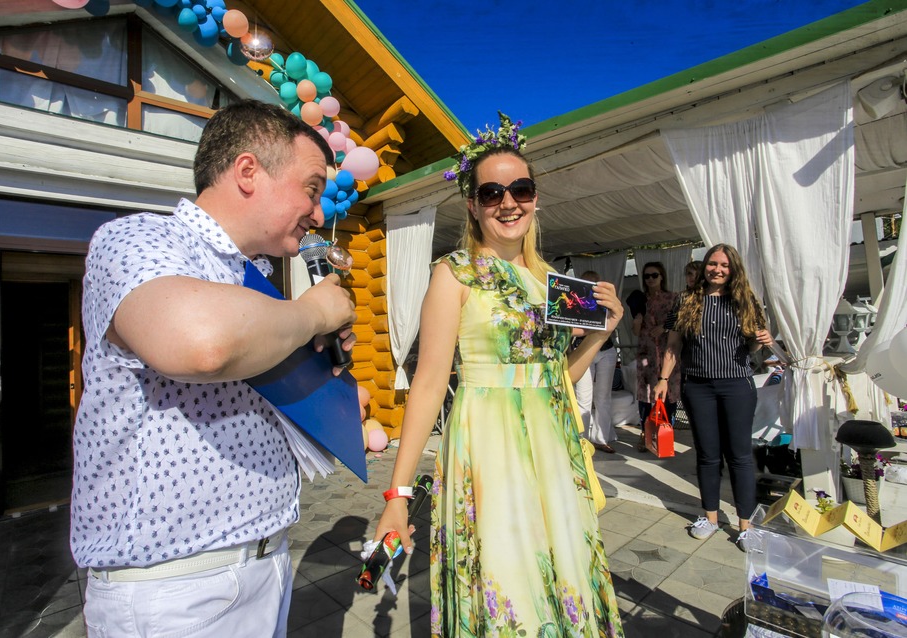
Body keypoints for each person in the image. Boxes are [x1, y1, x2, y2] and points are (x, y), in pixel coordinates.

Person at [70, 100, 357, 637]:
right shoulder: (138, 239)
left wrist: (328, 403)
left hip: (264, 565)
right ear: (248, 172)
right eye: (312, 188)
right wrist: (314, 311)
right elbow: (201, 345)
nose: (318, 213)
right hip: (177, 589)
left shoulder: (257, 283)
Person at [374, 113, 624, 637]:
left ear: (535, 198)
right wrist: (397, 496)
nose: (508, 203)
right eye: (492, 193)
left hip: (554, 452)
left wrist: (602, 334)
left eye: (521, 189)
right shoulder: (453, 274)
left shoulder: (554, 282)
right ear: (473, 204)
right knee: (509, 589)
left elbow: (557, 376)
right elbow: (427, 386)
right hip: (489, 452)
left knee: (563, 584)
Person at [654, 244, 773, 552]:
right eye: (712, 263)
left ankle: (746, 525)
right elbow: (673, 344)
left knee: (740, 455)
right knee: (707, 454)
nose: (717, 269)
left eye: (724, 265)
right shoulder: (686, 300)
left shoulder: (746, 300)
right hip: (698, 386)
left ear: (733, 269)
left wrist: (762, 341)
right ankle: (710, 517)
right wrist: (664, 379)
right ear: (705, 266)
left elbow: (753, 348)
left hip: (736, 385)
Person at [633, 261, 680, 450]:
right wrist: (638, 319)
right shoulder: (639, 299)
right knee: (645, 395)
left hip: (668, 353)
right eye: (647, 276)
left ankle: (665, 434)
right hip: (647, 353)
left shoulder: (673, 298)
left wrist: (664, 327)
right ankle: (646, 434)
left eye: (654, 275)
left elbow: (679, 323)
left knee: (668, 395)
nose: (651, 279)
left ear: (662, 277)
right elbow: (636, 331)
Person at [573, 270, 619, 453]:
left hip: (606, 350)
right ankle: (581, 440)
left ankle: (601, 438)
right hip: (583, 350)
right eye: (586, 283)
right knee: (583, 397)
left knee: (603, 396)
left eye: (594, 283)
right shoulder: (575, 301)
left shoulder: (606, 301)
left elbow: (613, 324)